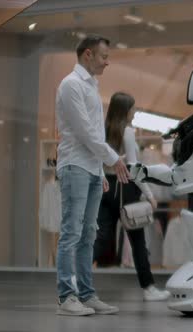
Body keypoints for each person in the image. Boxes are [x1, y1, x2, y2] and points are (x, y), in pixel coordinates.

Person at [55, 34, 130, 316]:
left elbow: (95, 133)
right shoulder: (71, 85)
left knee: (88, 234)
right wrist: (113, 159)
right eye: (103, 56)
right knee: (71, 233)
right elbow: (84, 132)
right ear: (88, 54)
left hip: (89, 169)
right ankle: (66, 297)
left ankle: (86, 295)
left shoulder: (91, 86)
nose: (106, 62)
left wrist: (100, 171)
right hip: (74, 166)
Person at [93, 92, 170, 302]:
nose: (134, 113)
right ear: (125, 110)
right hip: (125, 190)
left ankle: (74, 278)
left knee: (101, 239)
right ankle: (149, 288)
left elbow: (103, 161)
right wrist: (149, 194)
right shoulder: (127, 131)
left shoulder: (104, 130)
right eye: (133, 109)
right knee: (138, 243)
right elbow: (134, 169)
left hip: (106, 189)